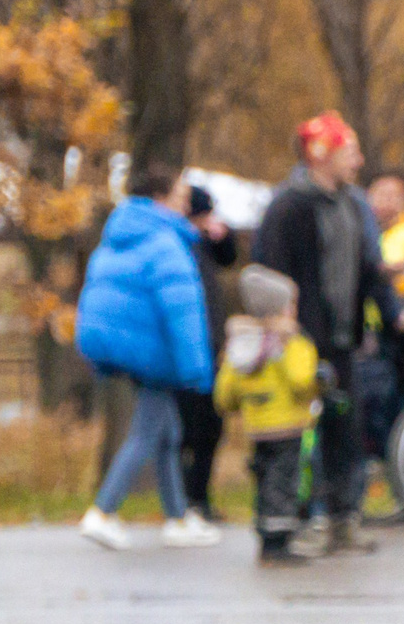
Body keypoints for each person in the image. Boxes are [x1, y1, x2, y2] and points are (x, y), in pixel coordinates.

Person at [252, 110, 404, 552]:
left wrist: (388, 298)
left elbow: (364, 266)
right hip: (299, 341)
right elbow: (271, 272)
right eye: (349, 151)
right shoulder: (289, 206)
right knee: (293, 436)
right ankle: (295, 520)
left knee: (345, 429)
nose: (357, 162)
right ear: (321, 155)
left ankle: (343, 518)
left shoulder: (350, 204)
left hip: (343, 340)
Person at [74, 163, 221, 551]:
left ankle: (177, 518)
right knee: (145, 433)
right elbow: (181, 309)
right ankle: (102, 512)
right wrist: (195, 367)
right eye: (181, 198)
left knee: (168, 433)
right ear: (161, 198)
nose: (186, 206)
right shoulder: (165, 241)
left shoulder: (122, 233)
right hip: (153, 353)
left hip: (127, 346)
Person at [215, 265, 323, 565]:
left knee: (264, 481)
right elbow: (302, 382)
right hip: (288, 425)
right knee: (284, 483)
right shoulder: (291, 343)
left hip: (256, 426)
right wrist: (318, 383)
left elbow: (225, 393)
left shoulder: (242, 344)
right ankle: (278, 544)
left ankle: (265, 535)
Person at [177, 183, 240, 519]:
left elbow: (229, 258)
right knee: (185, 429)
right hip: (186, 350)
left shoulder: (202, 244)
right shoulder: (177, 245)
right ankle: (183, 499)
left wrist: (221, 235)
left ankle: (198, 497)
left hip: (210, 347)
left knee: (211, 427)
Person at [361, 171, 404, 479]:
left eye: (392, 196)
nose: (385, 202)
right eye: (380, 195)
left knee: (402, 396)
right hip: (375, 329)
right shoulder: (369, 233)